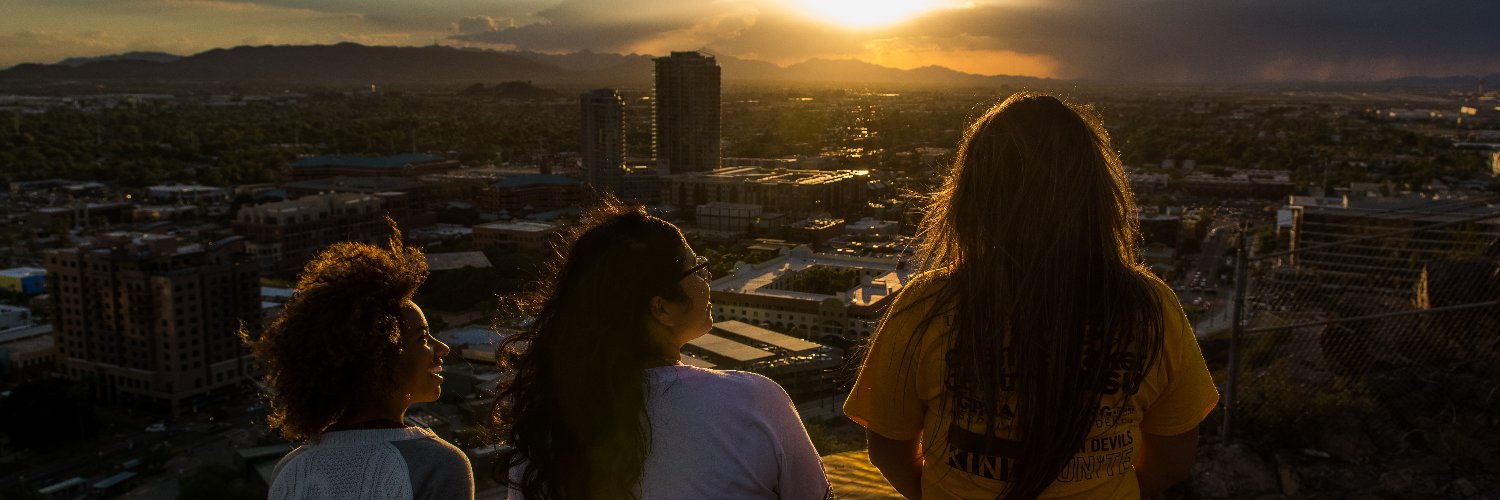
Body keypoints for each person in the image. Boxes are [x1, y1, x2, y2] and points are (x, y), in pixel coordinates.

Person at [844, 92, 1219, 499]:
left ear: (971, 198)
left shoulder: (924, 308)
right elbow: (1172, 459)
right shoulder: (1150, 310)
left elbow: (888, 448)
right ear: (1097, 195)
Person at [489, 201, 831, 500]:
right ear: (662, 308)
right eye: (697, 269)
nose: (708, 280)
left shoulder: (545, 428)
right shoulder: (754, 403)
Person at [250, 224, 474, 500]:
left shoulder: (290, 469)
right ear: (379, 360)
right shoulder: (438, 465)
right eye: (423, 338)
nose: (442, 348)